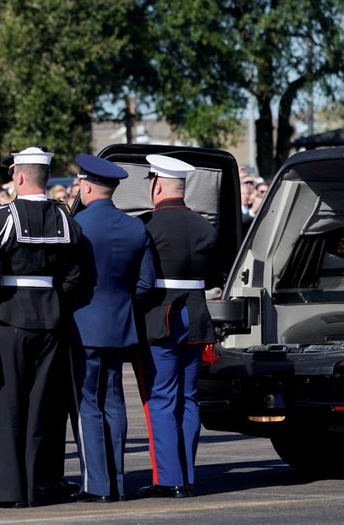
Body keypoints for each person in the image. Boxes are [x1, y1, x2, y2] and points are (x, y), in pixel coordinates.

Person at [0, 147, 84, 509]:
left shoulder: (2, 219)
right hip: (51, 319)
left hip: (10, 319)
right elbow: (75, 274)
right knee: (43, 407)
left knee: (7, 406)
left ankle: (9, 490)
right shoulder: (65, 218)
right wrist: (55, 301)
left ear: (19, 176)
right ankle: (41, 483)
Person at [68, 154, 155, 502]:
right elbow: (146, 284)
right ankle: (117, 481)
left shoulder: (78, 225)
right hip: (120, 323)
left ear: (87, 186)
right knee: (114, 402)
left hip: (83, 323)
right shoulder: (135, 227)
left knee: (88, 404)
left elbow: (69, 279)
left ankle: (96, 484)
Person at [135, 155, 219, 499]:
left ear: (157, 184)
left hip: (162, 316)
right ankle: (186, 475)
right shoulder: (205, 227)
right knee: (188, 398)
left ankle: (168, 479)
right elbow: (214, 276)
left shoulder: (148, 227)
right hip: (196, 315)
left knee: (161, 398)